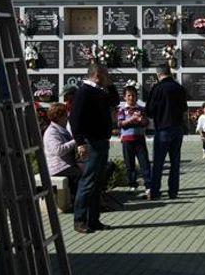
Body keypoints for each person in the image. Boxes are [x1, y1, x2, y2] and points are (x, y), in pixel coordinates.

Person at [69, 63, 120, 234]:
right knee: (88, 182)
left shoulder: (100, 91)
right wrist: (80, 142)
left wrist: (110, 83)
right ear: (98, 75)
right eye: (106, 74)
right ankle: (80, 220)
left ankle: (94, 219)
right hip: (91, 141)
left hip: (101, 141)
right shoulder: (84, 92)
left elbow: (115, 101)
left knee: (97, 183)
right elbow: (75, 118)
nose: (108, 77)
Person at [145, 64, 189, 200]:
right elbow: (184, 108)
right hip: (177, 128)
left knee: (158, 162)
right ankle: (173, 192)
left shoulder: (157, 88)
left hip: (163, 129)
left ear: (158, 75)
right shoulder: (179, 88)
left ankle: (155, 191)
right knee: (175, 162)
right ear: (170, 72)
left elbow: (149, 111)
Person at [117, 86, 152, 197]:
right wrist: (131, 120)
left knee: (144, 163)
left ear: (137, 96)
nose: (131, 98)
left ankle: (148, 186)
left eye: (133, 95)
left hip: (139, 139)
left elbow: (147, 122)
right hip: (127, 140)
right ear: (124, 97)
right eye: (129, 95)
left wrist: (141, 120)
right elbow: (120, 124)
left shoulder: (141, 109)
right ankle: (133, 185)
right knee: (129, 164)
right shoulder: (122, 109)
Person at [43, 103, 82, 196]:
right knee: (80, 176)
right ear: (59, 117)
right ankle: (79, 202)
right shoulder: (52, 132)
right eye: (65, 115)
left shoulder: (62, 129)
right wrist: (75, 141)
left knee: (91, 171)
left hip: (67, 164)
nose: (67, 117)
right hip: (58, 168)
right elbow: (58, 150)